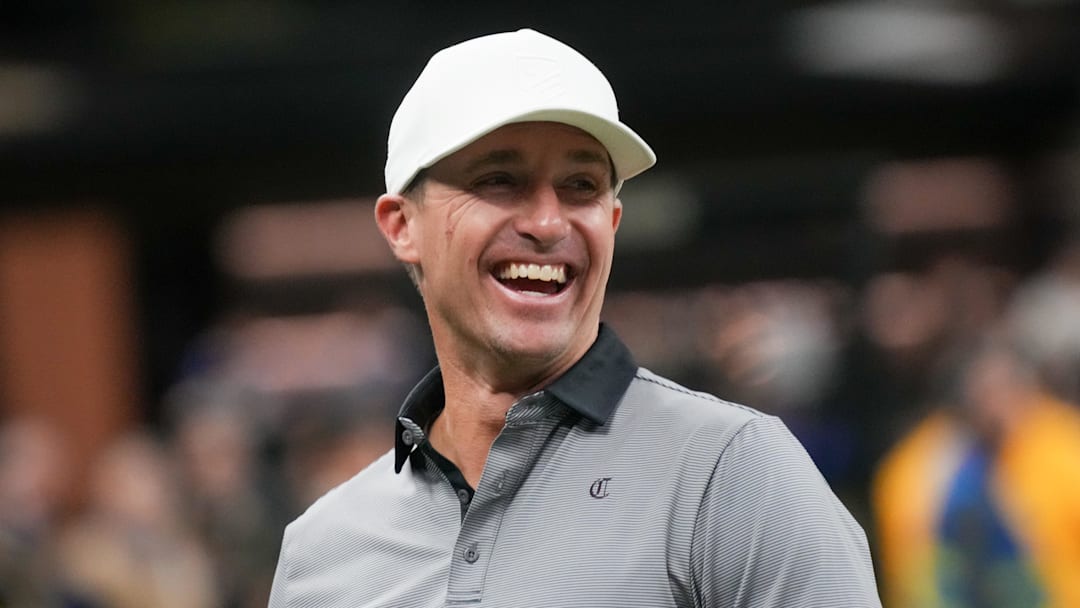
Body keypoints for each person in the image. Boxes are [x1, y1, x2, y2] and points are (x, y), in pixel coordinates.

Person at [268, 28, 880, 607]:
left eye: (581, 185)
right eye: (499, 180)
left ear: (611, 225)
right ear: (403, 226)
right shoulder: (321, 551)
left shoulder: (732, 474)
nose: (548, 223)